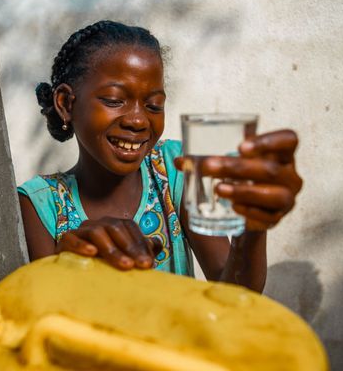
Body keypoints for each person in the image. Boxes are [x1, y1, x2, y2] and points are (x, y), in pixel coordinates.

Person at [17, 20, 302, 293]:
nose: (139, 120)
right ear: (67, 104)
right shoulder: (40, 203)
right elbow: (46, 315)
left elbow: (236, 290)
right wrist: (70, 263)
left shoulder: (176, 166)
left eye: (154, 105)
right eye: (115, 100)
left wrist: (252, 228)